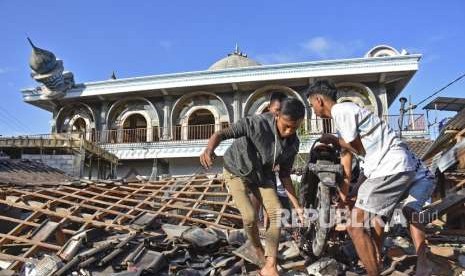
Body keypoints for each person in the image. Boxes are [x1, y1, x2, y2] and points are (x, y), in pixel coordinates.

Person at [306, 80, 435, 276]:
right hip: (396, 168)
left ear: (318, 100)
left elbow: (357, 148)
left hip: (391, 167)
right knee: (379, 216)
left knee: (354, 225)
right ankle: (379, 259)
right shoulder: (347, 120)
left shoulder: (341, 110)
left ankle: (374, 270)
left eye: (311, 105)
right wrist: (348, 194)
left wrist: (334, 140)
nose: (312, 110)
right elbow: (351, 162)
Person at [200, 97, 305, 276]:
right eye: (285, 125)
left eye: (294, 128)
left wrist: (297, 207)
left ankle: (270, 264)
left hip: (262, 175)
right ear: (276, 114)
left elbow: (285, 175)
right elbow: (221, 134)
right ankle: (257, 248)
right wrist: (209, 150)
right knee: (249, 216)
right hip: (236, 170)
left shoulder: (293, 143)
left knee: (277, 212)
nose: (288, 132)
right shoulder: (255, 124)